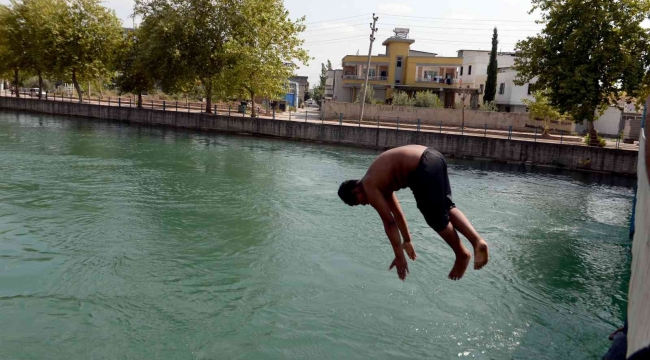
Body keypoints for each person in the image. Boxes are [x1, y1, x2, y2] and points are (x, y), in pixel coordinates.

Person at [338, 145, 489, 281]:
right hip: (434, 156)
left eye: (362, 202)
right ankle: (477, 241)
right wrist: (407, 240)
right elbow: (397, 214)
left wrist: (399, 257)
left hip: (421, 167)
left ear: (356, 191)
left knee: (434, 218)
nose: (367, 203)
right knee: (447, 207)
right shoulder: (380, 180)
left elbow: (389, 223)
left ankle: (461, 254)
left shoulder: (369, 185)